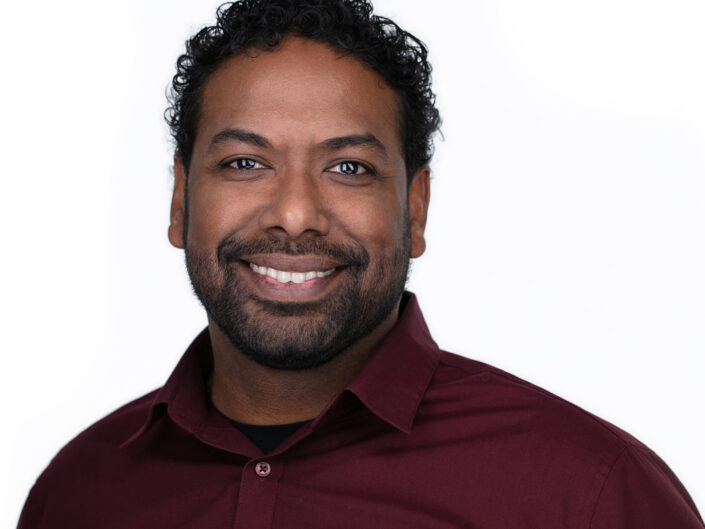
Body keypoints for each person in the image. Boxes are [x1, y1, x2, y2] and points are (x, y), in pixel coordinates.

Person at [17, 0, 704, 527]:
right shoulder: (78, 493)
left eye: (347, 167)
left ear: (414, 209)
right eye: (244, 162)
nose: (294, 214)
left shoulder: (586, 495)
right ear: (179, 199)